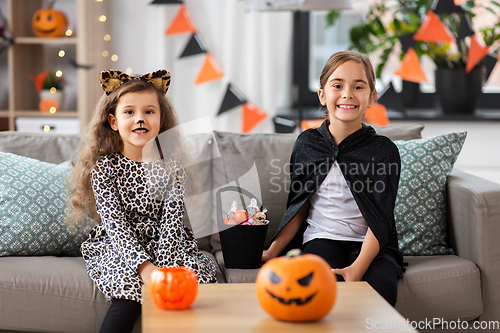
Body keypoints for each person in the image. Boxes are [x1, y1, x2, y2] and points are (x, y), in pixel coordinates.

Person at [66, 69, 218, 333]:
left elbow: (172, 222)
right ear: (113, 122)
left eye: (149, 111)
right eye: (129, 112)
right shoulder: (105, 169)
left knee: (191, 280)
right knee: (129, 285)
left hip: (167, 244)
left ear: (161, 119)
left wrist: (163, 266)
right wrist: (145, 269)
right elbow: (115, 224)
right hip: (120, 245)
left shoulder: (171, 166)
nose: (140, 119)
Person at [262, 51, 404, 306]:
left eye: (358, 86)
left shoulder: (384, 150)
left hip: (372, 245)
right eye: (337, 85)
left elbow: (381, 219)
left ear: (371, 97)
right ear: (322, 95)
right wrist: (272, 251)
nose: (347, 94)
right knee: (320, 291)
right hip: (322, 239)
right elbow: (299, 205)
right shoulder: (307, 143)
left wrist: (358, 268)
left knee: (380, 294)